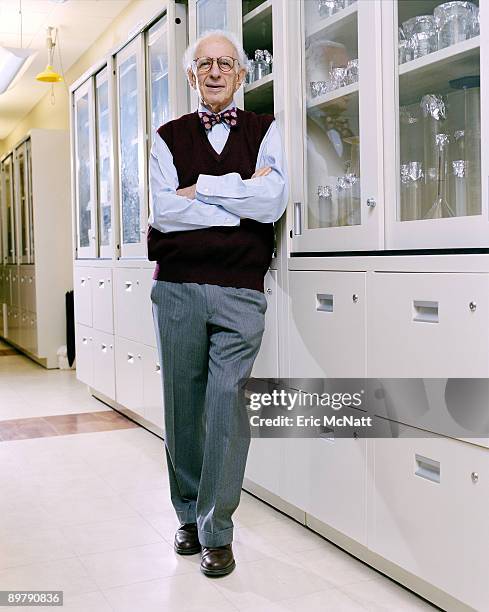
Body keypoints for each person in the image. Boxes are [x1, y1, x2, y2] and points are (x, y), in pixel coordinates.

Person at [147, 29, 288, 577]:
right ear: (190, 75)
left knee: (227, 407)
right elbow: (163, 213)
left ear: (242, 74)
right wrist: (238, 195)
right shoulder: (167, 136)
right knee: (183, 406)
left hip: (241, 291)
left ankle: (217, 528)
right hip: (177, 287)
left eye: (226, 63)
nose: (214, 71)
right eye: (204, 63)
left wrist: (199, 189)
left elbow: (273, 201)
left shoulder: (265, 129)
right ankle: (186, 513)